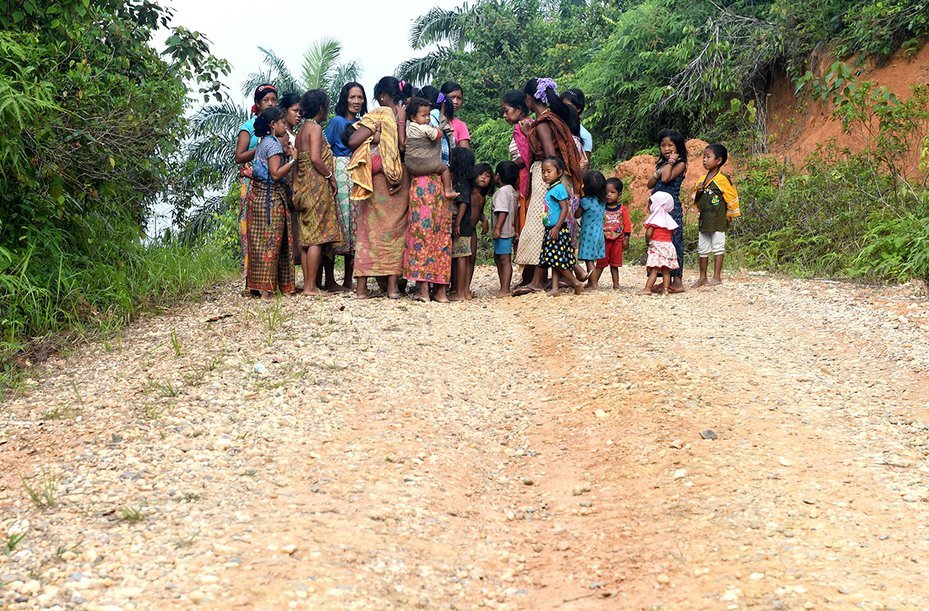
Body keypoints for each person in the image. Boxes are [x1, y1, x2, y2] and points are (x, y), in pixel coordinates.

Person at [513, 77, 583, 296]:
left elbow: (550, 156)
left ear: (528, 99)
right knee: (544, 227)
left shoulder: (543, 123)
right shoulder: (555, 118)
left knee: (537, 225)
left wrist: (527, 135)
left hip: (547, 180)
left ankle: (537, 280)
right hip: (556, 178)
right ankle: (547, 277)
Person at [346, 76, 412, 299]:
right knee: (395, 233)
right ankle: (393, 288)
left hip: (375, 183)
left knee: (368, 233)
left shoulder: (377, 115)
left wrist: (377, 136)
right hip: (400, 178)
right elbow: (404, 146)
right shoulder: (410, 113)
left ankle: (362, 288)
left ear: (382, 95)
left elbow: (353, 141)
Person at [292, 90, 343, 296]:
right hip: (316, 184)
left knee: (307, 237)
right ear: (322, 108)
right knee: (316, 237)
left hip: (303, 184)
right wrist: (330, 176)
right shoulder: (314, 128)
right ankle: (311, 286)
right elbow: (315, 158)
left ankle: (308, 284)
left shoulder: (300, 131)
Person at [246, 107, 296, 298]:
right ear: (273, 125)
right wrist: (292, 161)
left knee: (259, 243)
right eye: (282, 122)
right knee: (272, 243)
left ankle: (258, 286)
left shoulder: (263, 143)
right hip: (271, 199)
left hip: (258, 197)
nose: (285, 125)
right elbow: (275, 174)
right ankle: (268, 291)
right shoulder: (273, 144)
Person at [324, 81, 368, 290]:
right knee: (338, 224)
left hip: (358, 175)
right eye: (353, 97)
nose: (357, 101)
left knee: (356, 227)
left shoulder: (363, 123)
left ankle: (350, 279)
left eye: (360, 97)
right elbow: (325, 149)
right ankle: (330, 280)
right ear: (345, 99)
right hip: (340, 174)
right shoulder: (336, 122)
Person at [235, 84, 278, 287]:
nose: (270, 103)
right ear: (257, 104)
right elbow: (239, 156)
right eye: (265, 100)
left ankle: (270, 279)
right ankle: (251, 279)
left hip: (272, 183)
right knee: (251, 229)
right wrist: (261, 148)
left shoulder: (277, 125)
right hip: (252, 183)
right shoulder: (249, 127)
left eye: (273, 99)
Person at [691, 143, 740, 288]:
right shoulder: (702, 179)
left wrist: (729, 215)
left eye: (708, 157)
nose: (704, 160)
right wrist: (699, 191)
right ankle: (702, 277)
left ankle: (717, 276)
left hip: (718, 218)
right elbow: (695, 197)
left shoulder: (723, 179)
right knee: (703, 248)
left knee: (718, 247)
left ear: (718, 161)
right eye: (703, 157)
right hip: (704, 219)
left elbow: (731, 197)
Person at [646, 129, 688, 293]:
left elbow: (665, 178)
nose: (666, 148)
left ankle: (677, 280)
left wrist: (670, 163)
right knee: (658, 242)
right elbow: (650, 184)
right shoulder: (661, 165)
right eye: (663, 145)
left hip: (672, 210)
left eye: (670, 145)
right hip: (658, 209)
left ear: (678, 147)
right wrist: (660, 169)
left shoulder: (680, 164)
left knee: (674, 241)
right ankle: (664, 280)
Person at [539, 157, 583, 296]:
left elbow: (565, 209)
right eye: (543, 171)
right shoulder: (552, 188)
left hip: (557, 229)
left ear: (559, 173)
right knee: (554, 259)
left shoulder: (558, 188)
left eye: (548, 171)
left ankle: (575, 282)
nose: (545, 174)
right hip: (551, 229)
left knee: (556, 260)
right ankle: (555, 288)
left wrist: (557, 227)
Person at [403, 96, 458, 200]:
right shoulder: (425, 128)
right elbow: (437, 135)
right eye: (424, 115)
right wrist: (437, 130)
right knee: (444, 168)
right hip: (426, 164)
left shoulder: (409, 127)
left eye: (428, 115)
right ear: (413, 117)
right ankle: (448, 190)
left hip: (411, 166)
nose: (428, 118)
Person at [501, 91, 533, 243]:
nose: (504, 115)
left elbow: (526, 157)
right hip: (526, 177)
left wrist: (510, 166)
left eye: (506, 110)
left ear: (518, 110)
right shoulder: (530, 123)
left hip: (524, 178)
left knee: (523, 216)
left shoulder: (521, 127)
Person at [591, 177, 631, 290]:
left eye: (612, 192)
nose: (609, 195)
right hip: (603, 239)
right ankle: (594, 283)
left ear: (619, 194)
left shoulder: (622, 209)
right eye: (606, 192)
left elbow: (627, 225)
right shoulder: (601, 207)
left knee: (615, 264)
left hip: (617, 240)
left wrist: (626, 239)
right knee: (600, 263)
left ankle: (616, 284)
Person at [278, 92, 303, 267]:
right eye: (295, 110)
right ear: (284, 111)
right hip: (287, 185)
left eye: (301, 112)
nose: (299, 115)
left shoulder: (296, 134)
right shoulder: (283, 136)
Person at [449, 147, 476, 301]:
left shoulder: (460, 181)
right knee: (463, 258)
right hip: (466, 226)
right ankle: (464, 291)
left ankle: (459, 292)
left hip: (462, 226)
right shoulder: (467, 181)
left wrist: (457, 223)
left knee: (460, 257)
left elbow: (463, 203)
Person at [641, 192, 679, 296]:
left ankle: (647, 288)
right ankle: (665, 290)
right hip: (668, 247)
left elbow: (649, 233)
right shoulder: (669, 219)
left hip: (657, 247)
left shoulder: (654, 219)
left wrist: (647, 241)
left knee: (654, 270)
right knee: (666, 271)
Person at [492, 160, 520, 297]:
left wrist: (497, 228)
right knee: (500, 258)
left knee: (504, 260)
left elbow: (503, 211)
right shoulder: (513, 192)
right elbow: (516, 212)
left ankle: (505, 288)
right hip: (510, 230)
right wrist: (515, 229)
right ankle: (503, 285)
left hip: (502, 233)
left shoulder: (502, 192)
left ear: (497, 176)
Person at [576, 171, 607, 285]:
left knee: (589, 260)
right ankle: (592, 283)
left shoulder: (585, 202)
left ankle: (593, 284)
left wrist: (580, 198)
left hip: (588, 233)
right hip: (599, 232)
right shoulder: (602, 201)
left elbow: (577, 215)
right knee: (593, 259)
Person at [562, 88, 592, 165]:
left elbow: (584, 166)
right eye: (561, 105)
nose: (563, 109)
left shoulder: (585, 135)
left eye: (567, 106)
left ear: (578, 109)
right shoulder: (555, 126)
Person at [440, 81, 470, 148]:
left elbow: (465, 155)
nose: (456, 102)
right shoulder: (430, 119)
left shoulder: (460, 125)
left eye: (459, 98)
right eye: (452, 97)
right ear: (442, 97)